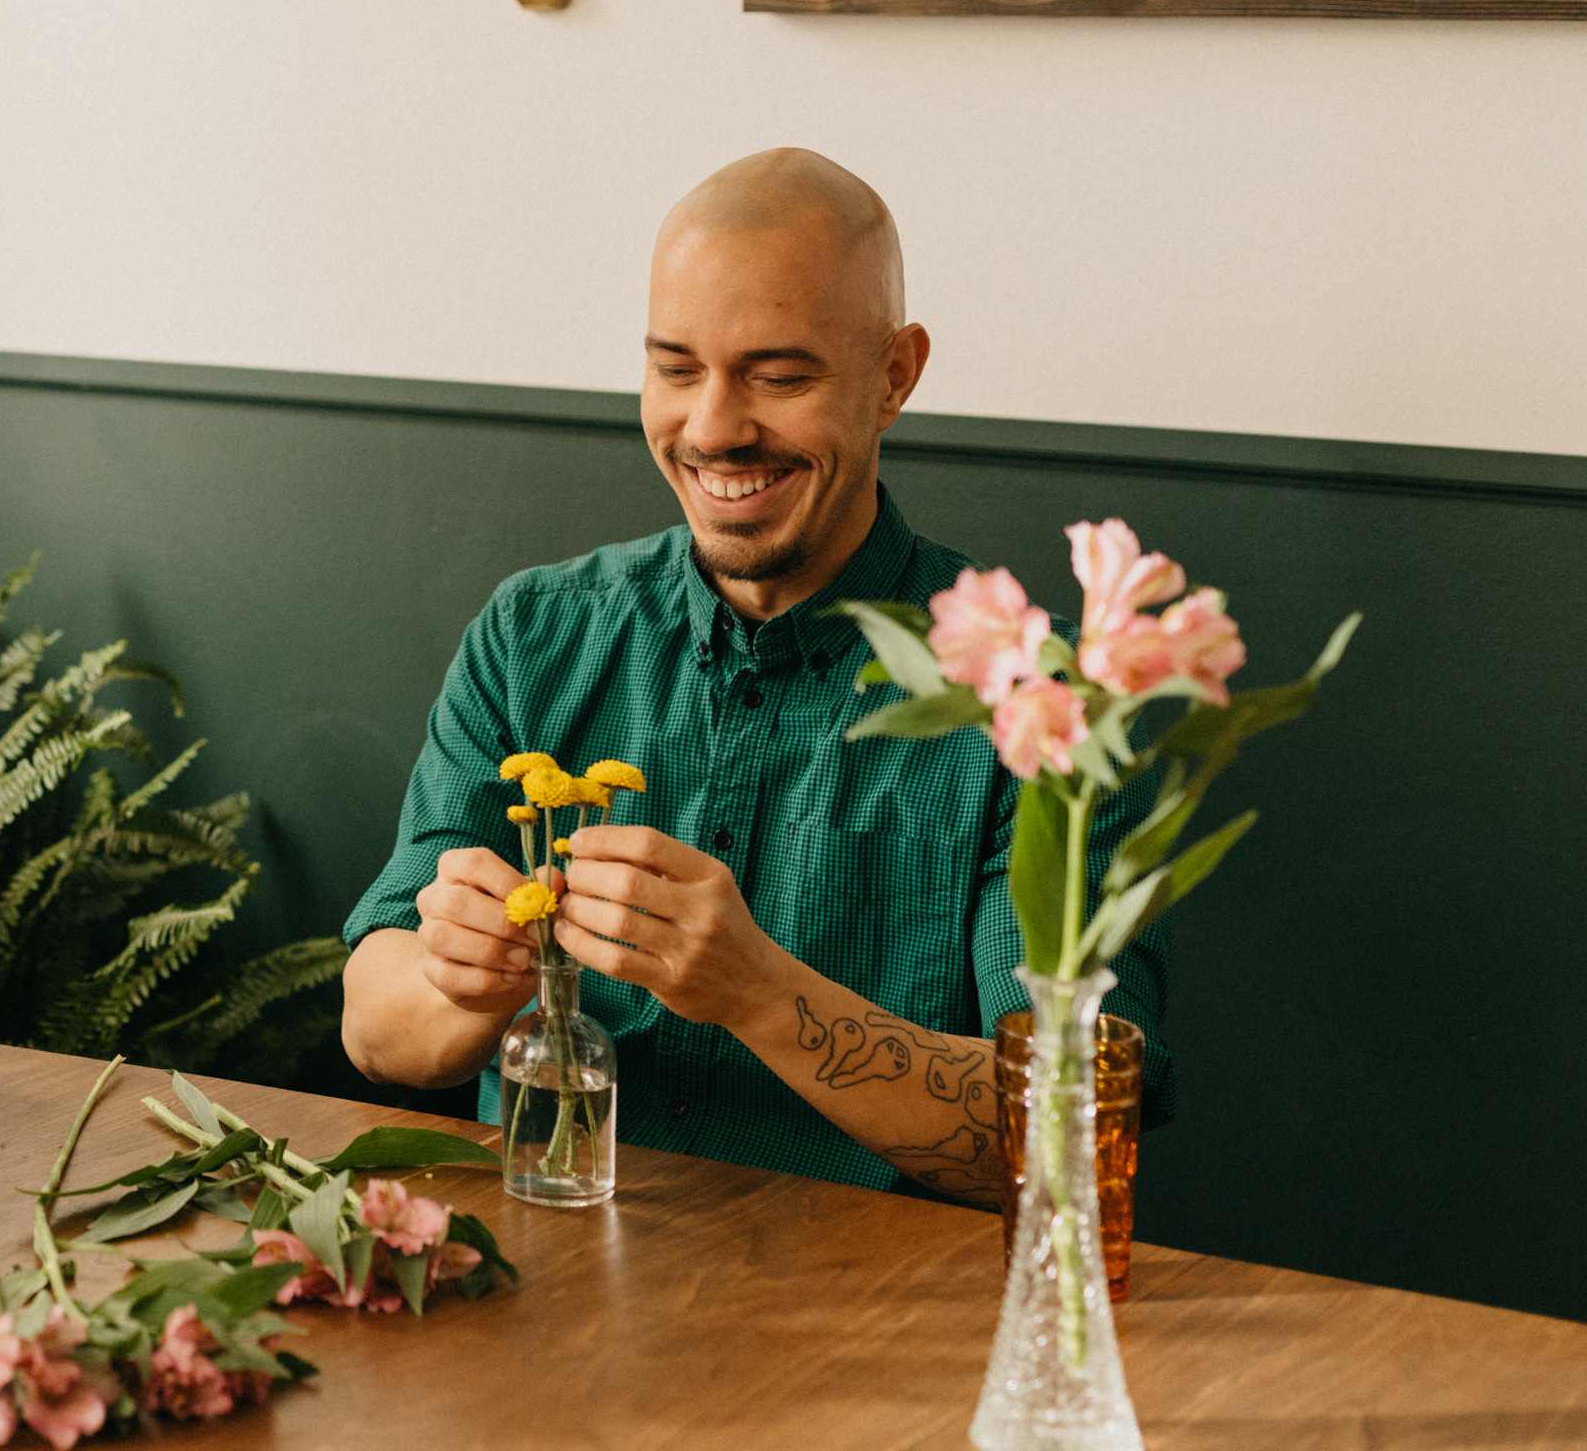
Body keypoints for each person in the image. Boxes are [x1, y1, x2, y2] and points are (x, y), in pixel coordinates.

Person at [337, 148, 1168, 1205]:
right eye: (676, 368)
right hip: (547, 1295)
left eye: (779, 376)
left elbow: (1072, 1136)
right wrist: (465, 984)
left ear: (895, 373)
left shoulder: (1044, 699)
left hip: (883, 1327)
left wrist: (758, 990)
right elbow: (373, 1020)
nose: (715, 427)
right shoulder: (533, 636)